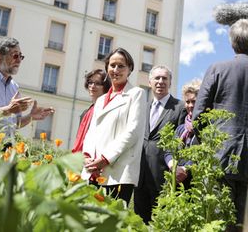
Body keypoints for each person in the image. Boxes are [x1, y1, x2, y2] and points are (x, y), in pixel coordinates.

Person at [192, 18, 248, 225]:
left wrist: (209, 145)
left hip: (219, 156)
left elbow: (199, 116)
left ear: (232, 43)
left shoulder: (217, 68)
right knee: (246, 223)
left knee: (217, 221)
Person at [81, 47, 146, 204]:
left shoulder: (137, 94)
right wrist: (87, 157)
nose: (116, 70)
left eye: (121, 66)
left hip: (119, 171)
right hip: (94, 170)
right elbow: (91, 133)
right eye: (112, 65)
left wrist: (105, 159)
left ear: (129, 69)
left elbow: (133, 132)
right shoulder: (101, 100)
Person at [134, 65, 186, 224]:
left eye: (165, 78)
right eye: (157, 78)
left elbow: (182, 142)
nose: (160, 81)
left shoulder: (180, 107)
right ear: (149, 82)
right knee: (140, 223)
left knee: (162, 223)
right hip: (140, 177)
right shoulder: (141, 107)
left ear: (170, 82)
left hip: (164, 178)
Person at [164, 79, 201, 187]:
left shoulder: (206, 127)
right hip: (177, 180)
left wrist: (185, 168)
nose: (190, 105)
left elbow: (202, 154)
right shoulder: (180, 128)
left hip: (196, 182)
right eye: (187, 101)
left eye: (194, 101)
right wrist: (173, 167)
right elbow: (169, 151)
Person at [72, 69, 111, 153]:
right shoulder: (86, 113)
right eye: (90, 82)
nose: (92, 86)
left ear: (106, 87)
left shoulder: (108, 110)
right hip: (83, 157)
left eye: (98, 83)